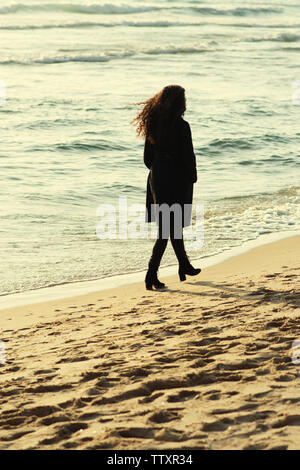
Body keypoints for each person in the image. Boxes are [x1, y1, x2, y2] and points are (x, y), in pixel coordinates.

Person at [132, 85, 201, 290]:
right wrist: (192, 176)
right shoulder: (182, 126)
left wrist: (160, 168)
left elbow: (147, 160)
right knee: (169, 228)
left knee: (169, 227)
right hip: (178, 180)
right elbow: (189, 157)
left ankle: (184, 265)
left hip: (158, 179)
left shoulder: (152, 125)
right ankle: (151, 274)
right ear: (179, 103)